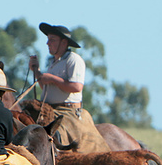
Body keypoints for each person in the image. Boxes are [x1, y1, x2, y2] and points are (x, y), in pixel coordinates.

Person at [29, 22, 109, 153]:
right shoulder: (54, 62)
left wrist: (52, 78)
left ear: (64, 43)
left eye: (52, 40)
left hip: (68, 112)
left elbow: (76, 86)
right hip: (49, 109)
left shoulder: (74, 60)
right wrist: (36, 71)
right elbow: (46, 89)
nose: (48, 43)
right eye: (48, 40)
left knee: (57, 135)